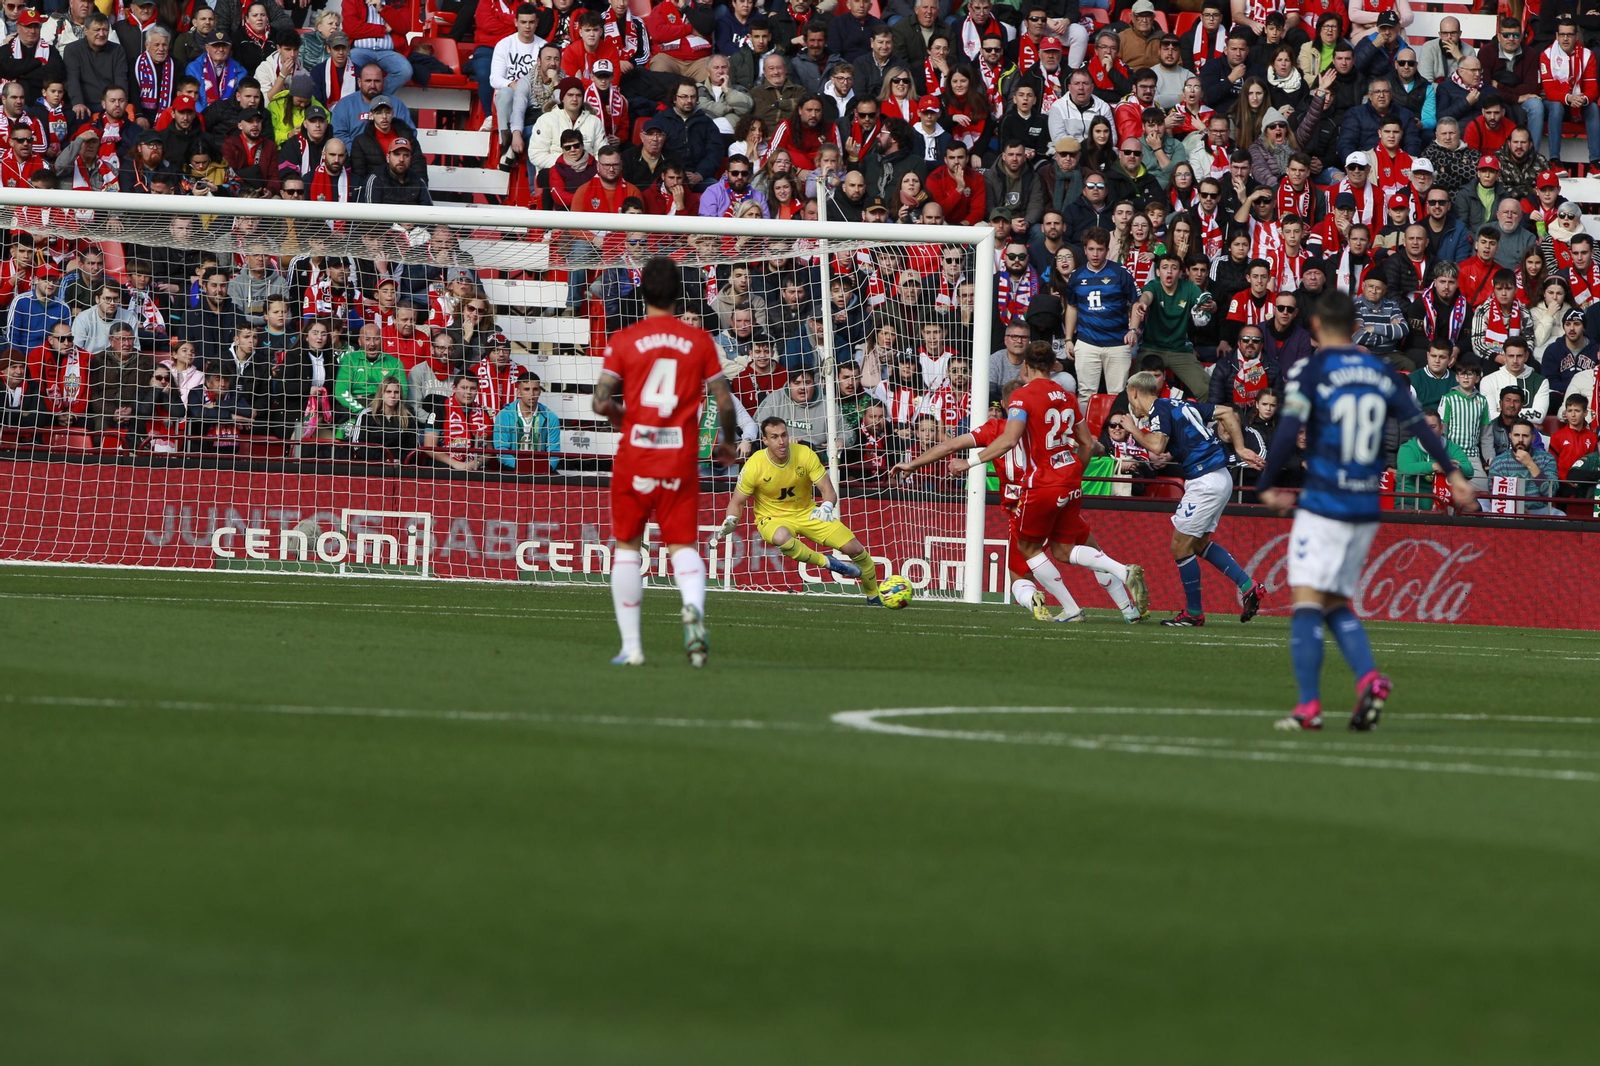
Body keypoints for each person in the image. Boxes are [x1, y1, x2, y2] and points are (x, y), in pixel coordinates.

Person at [1255, 290, 1475, 731]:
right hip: (1366, 505)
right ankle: (1369, 678)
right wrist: (1452, 472)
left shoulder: (1310, 369)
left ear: (1315, 327)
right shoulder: (1384, 372)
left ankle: (1308, 708)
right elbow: (1419, 425)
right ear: (1356, 326)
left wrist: (1264, 484)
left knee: (1304, 603)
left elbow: (1288, 432)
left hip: (1323, 502)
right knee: (1335, 601)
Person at [592, 256, 736, 668]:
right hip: (679, 458)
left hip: (635, 455)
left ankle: (633, 647)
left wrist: (623, 418)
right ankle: (692, 608)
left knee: (626, 548)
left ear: (642, 293)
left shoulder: (624, 339)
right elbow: (724, 400)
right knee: (683, 545)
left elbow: (600, 401)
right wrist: (726, 443)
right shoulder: (699, 341)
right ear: (678, 295)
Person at [954, 342, 1149, 624]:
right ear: (1054, 365)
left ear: (1026, 366)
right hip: (1068, 481)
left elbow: (1006, 440)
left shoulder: (1018, 403)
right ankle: (1125, 596)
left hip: (1034, 491)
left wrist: (968, 463)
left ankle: (1072, 607)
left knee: (1027, 555)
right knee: (1071, 549)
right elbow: (1088, 443)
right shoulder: (1068, 396)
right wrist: (1076, 471)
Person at [1115, 371, 1264, 627]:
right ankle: (1248, 586)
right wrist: (1239, 448)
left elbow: (1156, 444)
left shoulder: (1158, 408)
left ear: (1134, 392)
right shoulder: (1181, 404)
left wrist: (1132, 429)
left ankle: (1194, 612)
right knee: (1197, 544)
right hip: (1219, 478)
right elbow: (1227, 413)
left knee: (1180, 547)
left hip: (1205, 481)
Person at [714, 415, 879, 598]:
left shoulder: (805, 454)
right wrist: (731, 519)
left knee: (855, 549)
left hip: (808, 512)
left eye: (784, 435)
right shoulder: (754, 465)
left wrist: (825, 507)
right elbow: (737, 502)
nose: (782, 441)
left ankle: (874, 596)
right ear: (765, 441)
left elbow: (828, 491)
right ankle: (827, 562)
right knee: (781, 536)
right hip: (772, 518)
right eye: (775, 437)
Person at [1063, 227, 1138, 407]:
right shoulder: (1076, 276)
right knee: (1085, 395)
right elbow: (1072, 307)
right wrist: (1068, 339)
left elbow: (1135, 302)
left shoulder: (1121, 273)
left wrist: (1133, 329)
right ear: (1085, 250)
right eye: (1091, 249)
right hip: (1087, 342)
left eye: (1100, 249)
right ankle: (1085, 436)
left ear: (1107, 250)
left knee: (1117, 394)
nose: (1095, 254)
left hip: (1118, 343)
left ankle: (1114, 435)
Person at [1132, 252, 1214, 399]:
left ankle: (1198, 421)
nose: (1169, 271)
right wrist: (1143, 303)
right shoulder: (1154, 286)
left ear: (1181, 272)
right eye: (1164, 267)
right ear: (1158, 272)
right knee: (1136, 387)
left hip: (1180, 350)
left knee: (1206, 389)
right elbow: (1147, 296)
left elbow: (1206, 303)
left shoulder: (1189, 287)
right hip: (1152, 348)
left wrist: (1210, 306)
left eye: (1174, 268)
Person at [1487, 418, 1558, 514]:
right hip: (1509, 511)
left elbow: (1551, 493)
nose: (1520, 440)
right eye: (1516, 435)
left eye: (1525, 436)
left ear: (1533, 438)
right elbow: (1496, 498)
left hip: (1540, 510)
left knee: (1561, 516)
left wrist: (1530, 464)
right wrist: (1516, 510)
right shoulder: (1498, 462)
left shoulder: (1547, 459)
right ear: (1510, 436)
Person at [493, 374, 558, 470]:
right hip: (511, 468)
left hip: (541, 469)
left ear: (540, 392)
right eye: (527, 389)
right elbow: (501, 450)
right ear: (518, 393)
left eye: (535, 389)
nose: (531, 394)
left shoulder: (551, 417)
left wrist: (546, 468)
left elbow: (554, 451)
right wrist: (522, 467)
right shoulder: (504, 416)